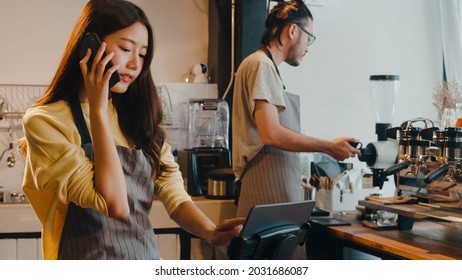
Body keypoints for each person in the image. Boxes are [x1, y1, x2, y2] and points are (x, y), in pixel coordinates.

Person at [19, 0, 244, 260]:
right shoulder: (45, 121)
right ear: (89, 46)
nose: (136, 64)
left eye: (142, 53)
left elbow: (171, 190)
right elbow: (112, 203)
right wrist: (98, 110)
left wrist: (210, 231)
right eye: (126, 48)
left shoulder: (138, 117)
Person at [232, 0, 360, 258]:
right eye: (309, 37)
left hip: (274, 192)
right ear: (292, 31)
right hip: (266, 193)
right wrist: (328, 146)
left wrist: (305, 167)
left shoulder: (263, 67)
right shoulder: (261, 65)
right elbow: (271, 134)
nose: (308, 48)